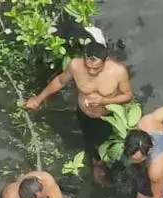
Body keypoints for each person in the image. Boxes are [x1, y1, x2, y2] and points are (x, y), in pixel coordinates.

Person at [23, 42, 133, 183]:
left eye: (96, 68)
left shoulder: (118, 71)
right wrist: (38, 99)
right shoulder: (75, 65)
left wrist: (104, 100)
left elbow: (128, 95)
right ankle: (96, 160)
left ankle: (103, 163)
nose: (92, 71)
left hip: (106, 116)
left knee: (105, 141)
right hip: (83, 113)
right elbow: (61, 81)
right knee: (88, 137)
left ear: (105, 61)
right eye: (88, 67)